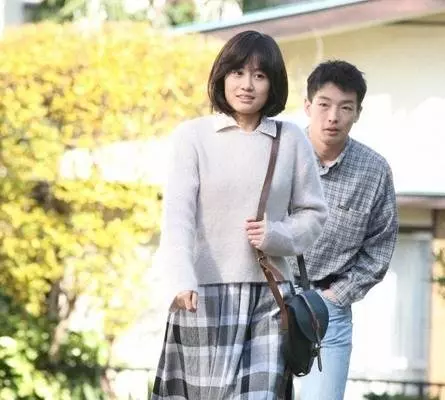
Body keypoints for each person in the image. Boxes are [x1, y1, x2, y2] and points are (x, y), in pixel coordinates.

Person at [151, 30, 328, 399]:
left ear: (273, 84)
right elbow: (178, 217)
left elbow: (313, 213)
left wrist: (277, 235)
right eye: (238, 73)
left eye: (259, 75)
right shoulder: (192, 137)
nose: (247, 85)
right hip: (202, 295)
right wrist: (181, 277)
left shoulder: (290, 139)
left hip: (269, 297)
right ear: (222, 77)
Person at [292, 60, 399, 400]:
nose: (333, 117)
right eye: (324, 105)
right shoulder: (280, 153)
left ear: (358, 113)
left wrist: (334, 298)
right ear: (307, 106)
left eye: (345, 107)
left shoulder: (374, 171)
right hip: (269, 298)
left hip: (330, 308)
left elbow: (379, 249)